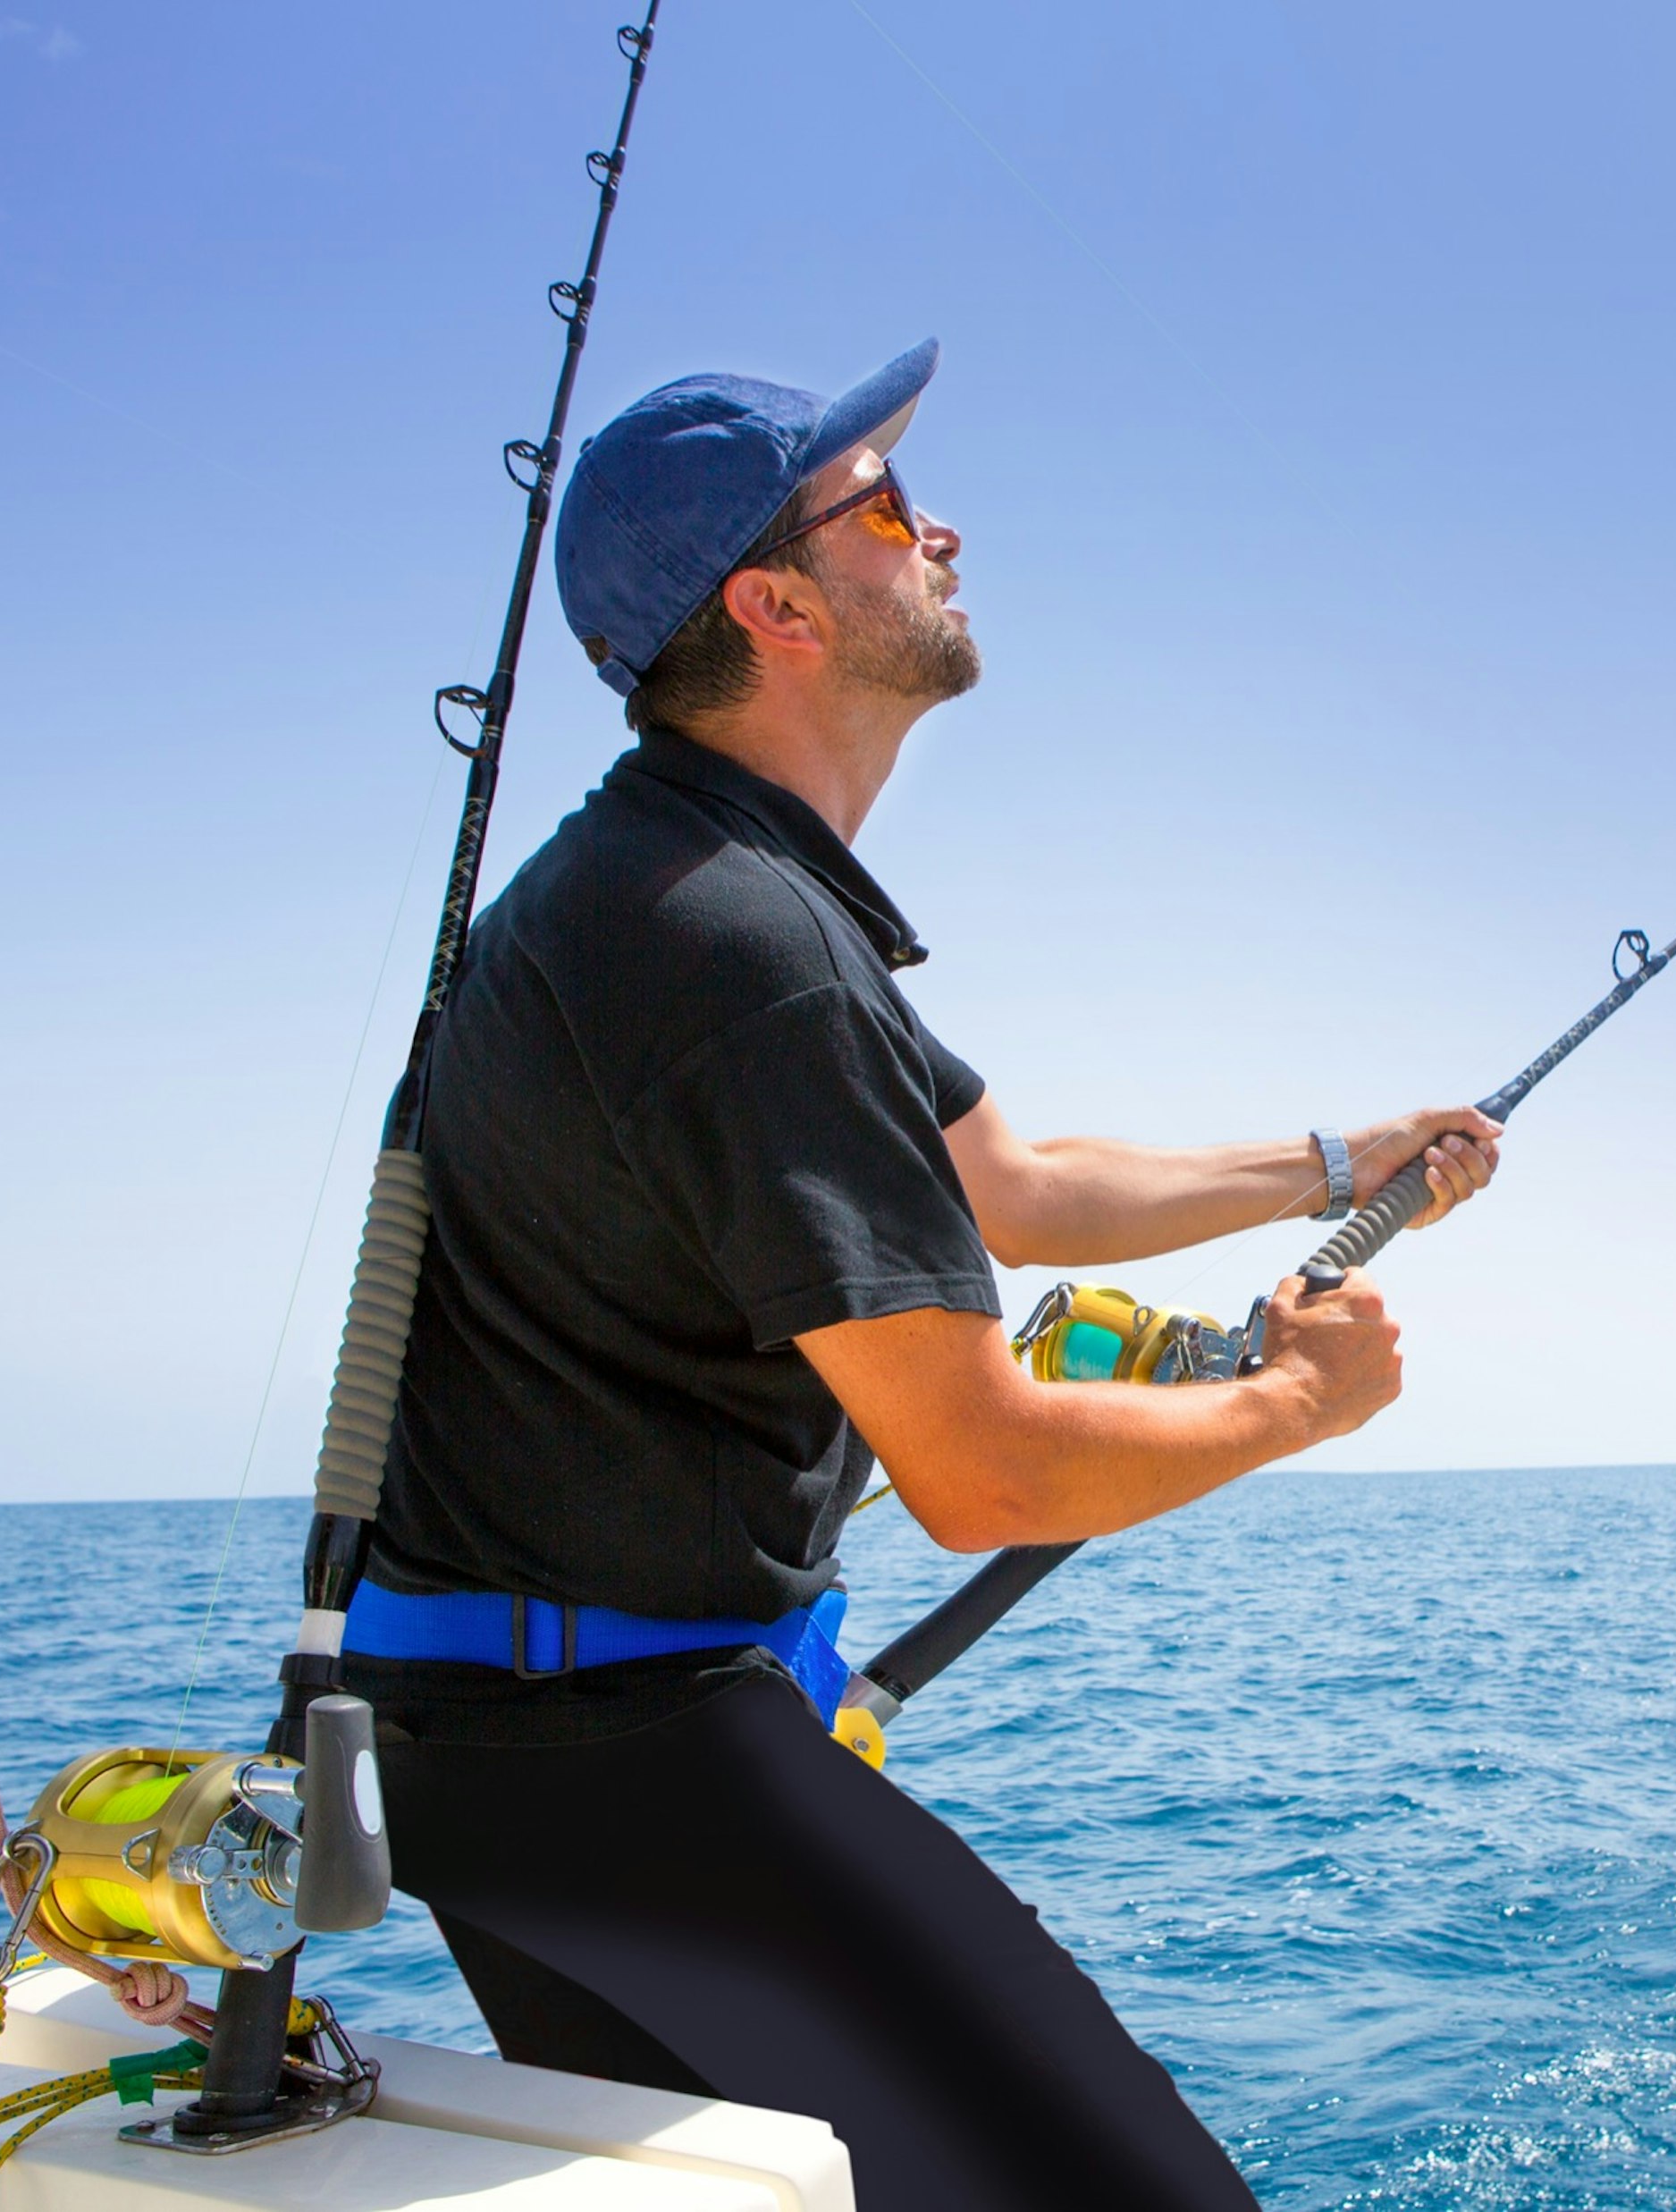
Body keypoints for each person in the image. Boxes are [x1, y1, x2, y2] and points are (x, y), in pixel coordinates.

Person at [332, 342, 1499, 2210]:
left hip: (494, 1750)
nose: (939, 522)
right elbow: (986, 1474)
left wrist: (1342, 1166)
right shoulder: (744, 953)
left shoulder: (686, 889)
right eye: (880, 501)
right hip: (627, 1759)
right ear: (774, 605)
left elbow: (1016, 1190)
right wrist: (1300, 1398)